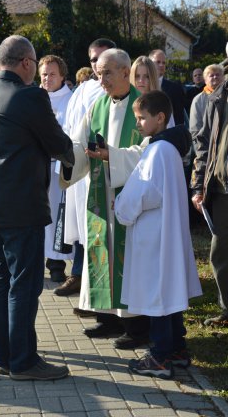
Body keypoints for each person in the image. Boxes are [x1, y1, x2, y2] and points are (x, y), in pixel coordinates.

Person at [0, 35, 74, 380]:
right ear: (27, 63)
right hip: (21, 208)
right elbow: (58, 143)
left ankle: (6, 358)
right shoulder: (30, 96)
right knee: (25, 285)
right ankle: (24, 361)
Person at [60, 48, 151, 347]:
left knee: (129, 260)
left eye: (107, 73)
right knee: (102, 253)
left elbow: (150, 152)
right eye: (98, 74)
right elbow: (79, 144)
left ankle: (137, 329)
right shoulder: (98, 106)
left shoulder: (144, 105)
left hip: (132, 198)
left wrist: (112, 156)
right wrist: (64, 158)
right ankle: (108, 319)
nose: (101, 80)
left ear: (126, 72)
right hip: (101, 195)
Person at [115, 90, 202, 379]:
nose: (138, 123)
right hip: (166, 231)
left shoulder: (157, 150)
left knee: (158, 295)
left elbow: (145, 192)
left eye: (142, 118)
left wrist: (122, 207)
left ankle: (161, 357)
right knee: (169, 291)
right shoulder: (169, 148)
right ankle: (177, 349)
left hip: (154, 235)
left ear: (160, 118)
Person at [57, 38, 117, 299]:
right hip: (83, 171)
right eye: (94, 60)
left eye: (104, 59)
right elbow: (70, 129)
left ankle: (104, 281)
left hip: (109, 168)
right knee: (82, 225)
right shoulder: (82, 90)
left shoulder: (119, 90)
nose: (98, 65)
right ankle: (78, 273)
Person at [191, 79, 228, 326]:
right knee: (220, 253)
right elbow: (204, 143)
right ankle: (227, 310)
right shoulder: (218, 96)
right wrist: (198, 184)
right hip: (222, 188)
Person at [38, 55, 74, 284]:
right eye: (43, 74)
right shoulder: (33, 97)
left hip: (58, 169)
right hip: (36, 168)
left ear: (62, 76)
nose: (47, 78)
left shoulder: (70, 100)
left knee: (57, 217)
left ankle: (56, 264)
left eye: (52, 74)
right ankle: (37, 260)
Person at [189, 64, 224, 151]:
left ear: (223, 78)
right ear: (205, 80)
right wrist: (202, 156)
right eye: (211, 75)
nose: (215, 77)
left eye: (218, 74)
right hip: (208, 152)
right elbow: (195, 131)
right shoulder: (198, 100)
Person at [149, 49, 186, 125]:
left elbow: (179, 119)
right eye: (158, 62)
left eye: (164, 63)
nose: (161, 65)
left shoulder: (175, 89)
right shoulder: (141, 85)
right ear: (149, 63)